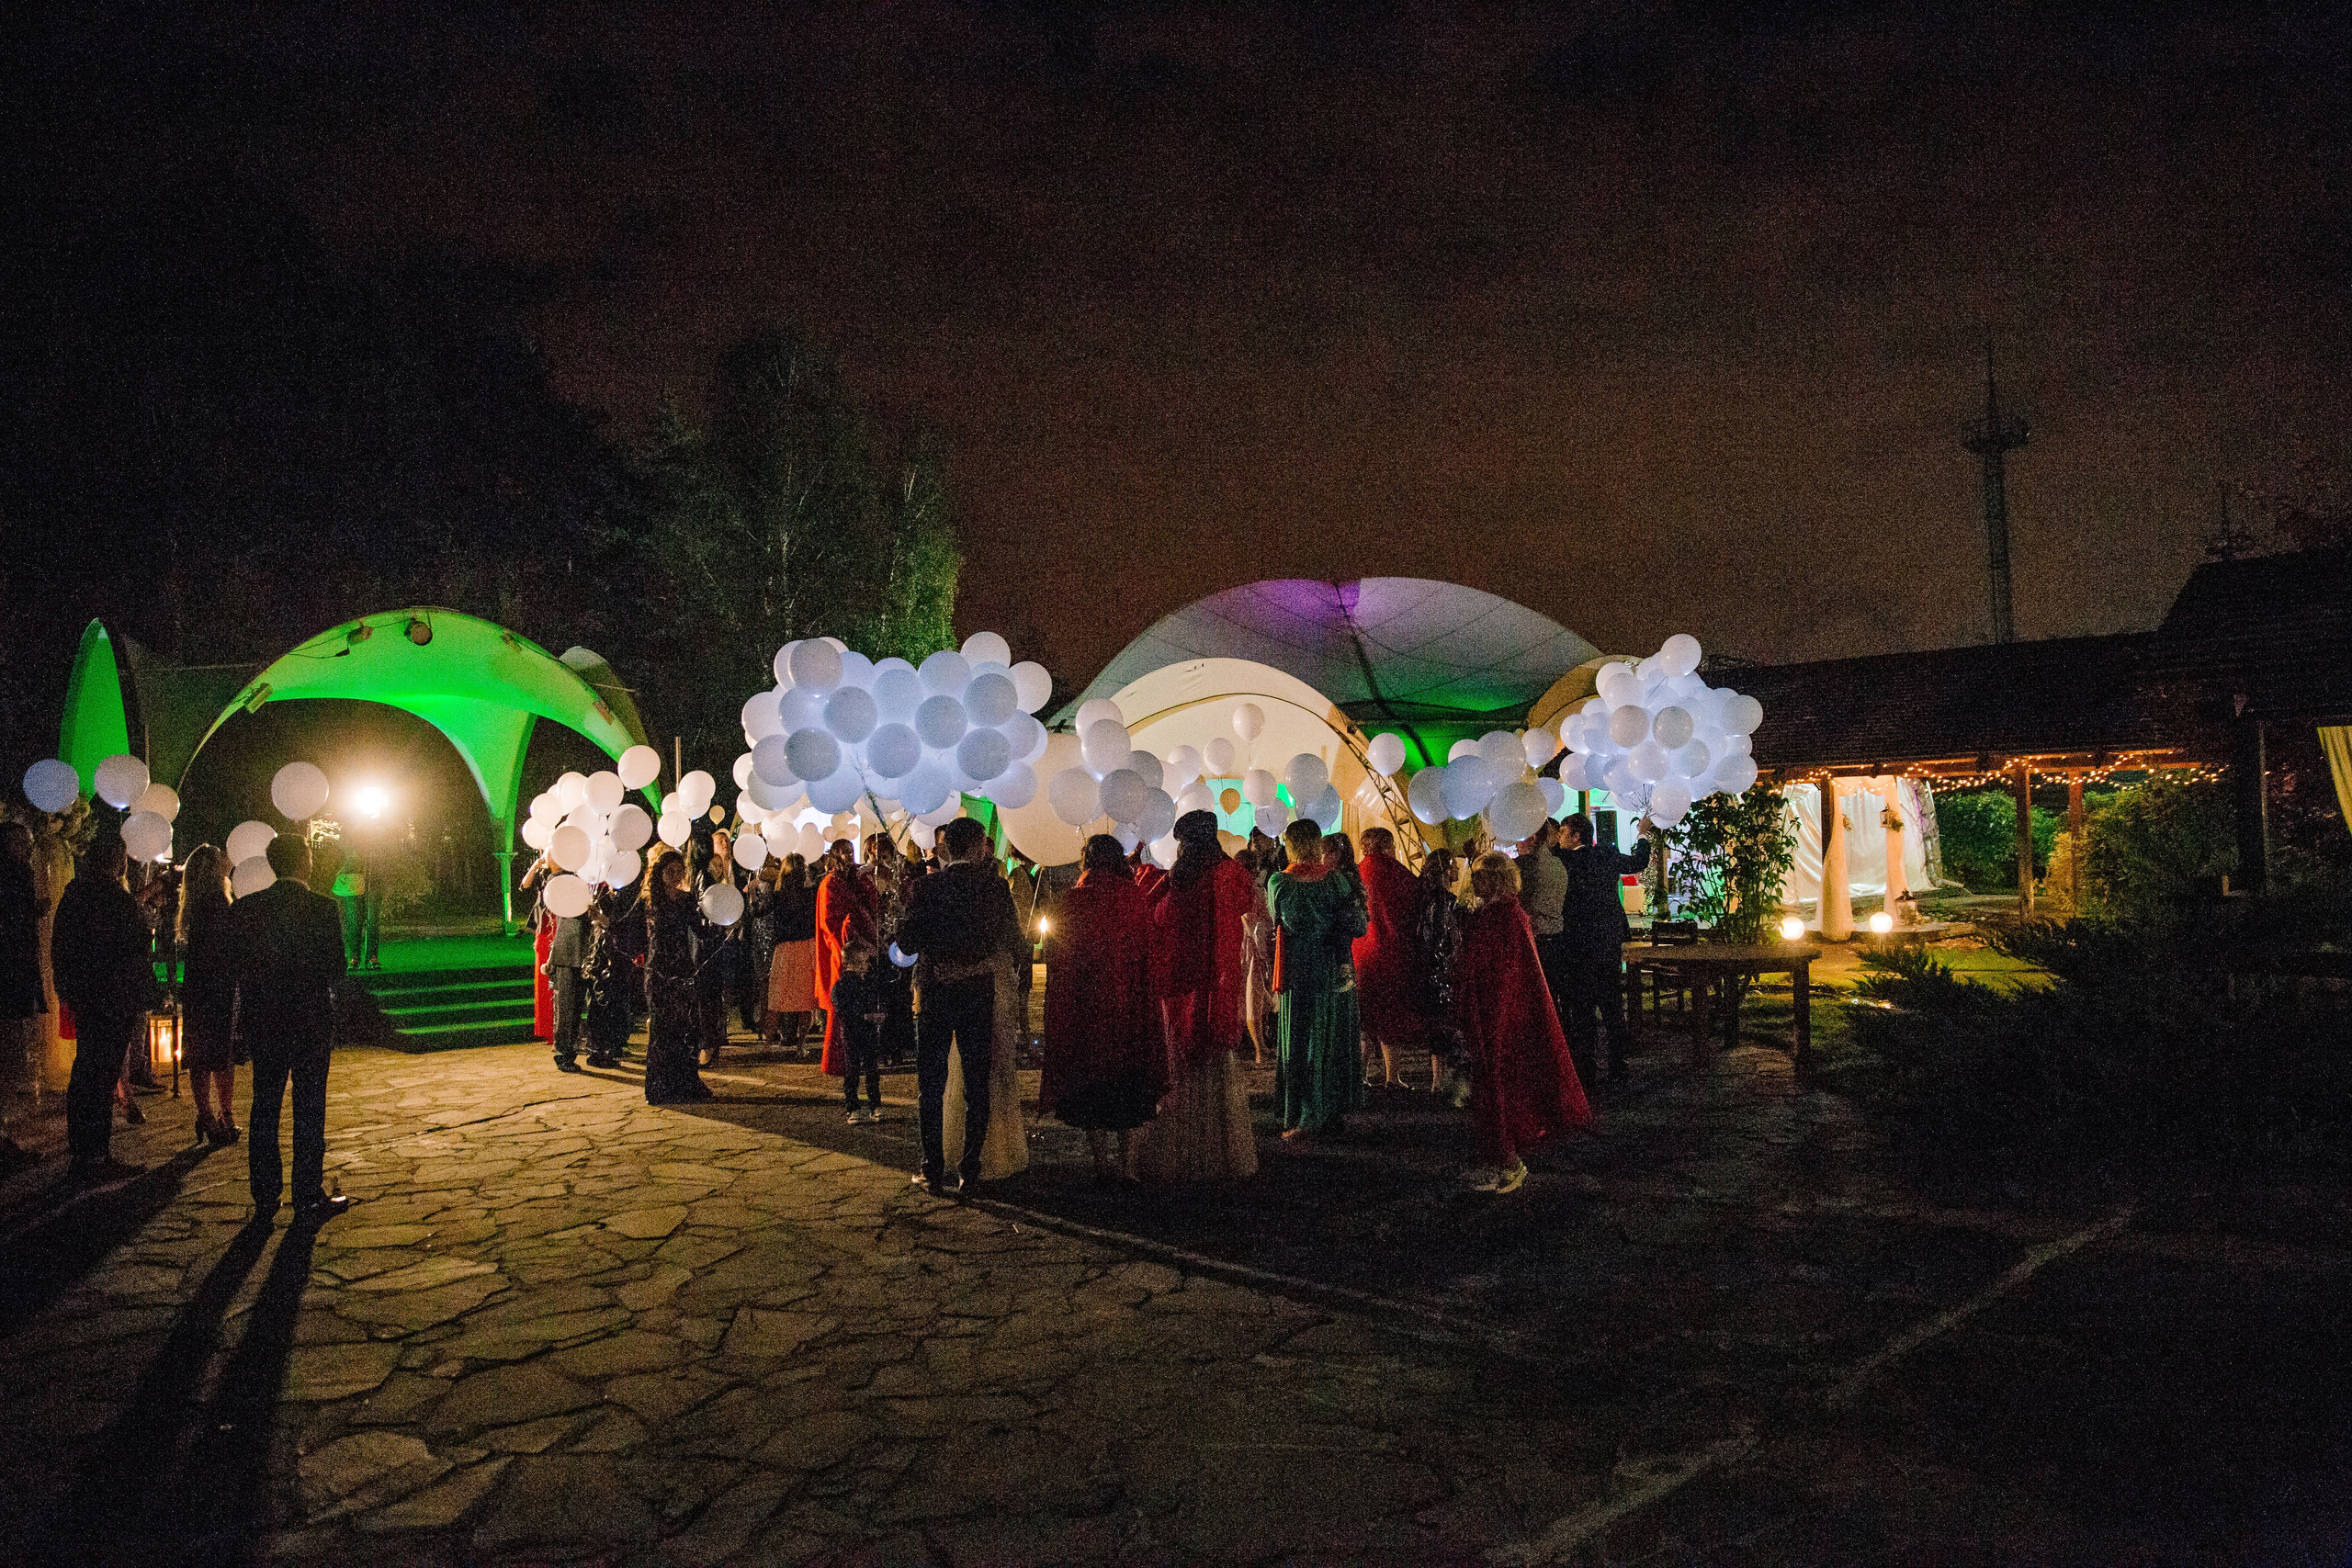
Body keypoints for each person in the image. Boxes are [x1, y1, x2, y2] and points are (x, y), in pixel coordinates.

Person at [1137, 809, 1266, 1182]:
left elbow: (1153, 919)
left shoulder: (1177, 880)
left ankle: (1181, 1150)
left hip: (1180, 985)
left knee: (1179, 1064)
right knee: (1215, 1068)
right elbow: (1247, 909)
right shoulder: (1232, 876)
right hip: (1219, 983)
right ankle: (1219, 1150)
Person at [898, 816, 1023, 1195]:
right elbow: (1016, 944)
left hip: (936, 993)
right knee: (976, 1084)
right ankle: (970, 1165)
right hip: (977, 994)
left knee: (930, 1085)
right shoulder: (995, 888)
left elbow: (905, 944)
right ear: (977, 846)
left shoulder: (926, 887)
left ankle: (933, 1166)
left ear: (946, 848)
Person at [227, 835, 351, 1220]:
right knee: (309, 1107)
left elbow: (237, 967)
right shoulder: (322, 909)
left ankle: (265, 1195)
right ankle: (307, 1193)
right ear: (304, 863)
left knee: (265, 1105)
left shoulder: (247, 909)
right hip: (310, 1020)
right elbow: (337, 969)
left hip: (264, 1020)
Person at [1453, 852, 1591, 1192]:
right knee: (1488, 1088)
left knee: (1501, 1086)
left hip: (1502, 1014)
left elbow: (1510, 973)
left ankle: (1510, 1161)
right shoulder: (1492, 914)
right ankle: (1494, 1160)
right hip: (1485, 1008)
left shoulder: (1510, 918)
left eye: (1482, 877)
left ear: (1497, 880)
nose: (1475, 883)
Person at [1041, 835, 1162, 1184]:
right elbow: (1148, 952)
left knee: (1093, 1087)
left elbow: (1059, 956)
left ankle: (1102, 1165)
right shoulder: (1134, 899)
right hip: (1129, 1007)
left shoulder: (1072, 900)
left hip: (1087, 1008)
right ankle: (1129, 1167)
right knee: (1130, 1087)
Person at [51, 837, 157, 1179]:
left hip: (85, 996)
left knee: (85, 1071)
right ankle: (96, 1153)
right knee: (101, 1074)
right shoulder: (114, 898)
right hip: (113, 996)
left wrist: (68, 988)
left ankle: (82, 1149)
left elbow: (61, 946)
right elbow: (138, 942)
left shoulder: (74, 894)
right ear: (119, 862)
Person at [1268, 819, 1369, 1145]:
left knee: (1301, 1037)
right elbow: (1357, 923)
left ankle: (1303, 1114)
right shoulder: (1337, 880)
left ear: (1290, 845)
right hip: (1334, 966)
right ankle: (1332, 1109)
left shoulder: (1280, 884)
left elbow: (1279, 920)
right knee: (1332, 1036)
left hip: (1299, 968)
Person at [1555, 814, 1654, 1086]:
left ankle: (1586, 1067)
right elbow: (1639, 862)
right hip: (1608, 940)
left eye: (1563, 832)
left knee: (1582, 1008)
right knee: (1611, 1005)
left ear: (1576, 836)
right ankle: (1618, 1065)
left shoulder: (1563, 860)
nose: (1560, 837)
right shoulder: (1606, 856)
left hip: (1578, 943)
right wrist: (1642, 834)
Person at [1352, 827, 1427, 1091]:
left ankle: (1357, 1076)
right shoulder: (1400, 875)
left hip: (1360, 954)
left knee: (1364, 1019)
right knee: (1390, 1017)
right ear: (1388, 846)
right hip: (1393, 952)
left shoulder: (1355, 874)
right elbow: (1418, 907)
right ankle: (1392, 1077)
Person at [178, 843, 242, 1145]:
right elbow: (226, 947)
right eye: (221, 857)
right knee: (219, 1053)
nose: (228, 858)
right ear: (213, 869)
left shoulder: (198, 903)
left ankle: (209, 1115)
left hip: (199, 986)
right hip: (217, 985)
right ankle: (220, 1115)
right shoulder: (217, 902)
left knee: (204, 1053)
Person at [642, 852, 713, 1103]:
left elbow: (699, 930)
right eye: (670, 871)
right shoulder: (651, 901)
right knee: (662, 1032)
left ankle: (685, 1083)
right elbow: (641, 933)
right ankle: (659, 1088)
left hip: (682, 969)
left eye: (679, 871)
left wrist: (722, 924)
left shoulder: (685, 899)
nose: (675, 876)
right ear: (660, 873)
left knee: (685, 1030)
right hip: (659, 970)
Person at [0, 821, 51, 1171]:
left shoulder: (21, 872)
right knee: (10, 1055)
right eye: (21, 841)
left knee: (13, 1053)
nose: (27, 847)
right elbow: (14, 923)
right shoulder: (13, 876)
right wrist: (35, 909)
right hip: (11, 976)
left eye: (29, 841)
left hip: (17, 974)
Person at [813, 841, 876, 1067]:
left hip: (858, 947)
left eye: (852, 851)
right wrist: (849, 942)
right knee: (842, 1007)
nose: (850, 856)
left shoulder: (850, 880)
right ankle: (839, 1061)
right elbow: (829, 921)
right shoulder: (830, 883)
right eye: (845, 852)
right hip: (843, 950)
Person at [1416, 848, 1468, 1105]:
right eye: (1454, 866)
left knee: (1438, 1027)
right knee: (1449, 1026)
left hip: (1430, 968)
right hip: (1443, 970)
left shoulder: (1426, 899)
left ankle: (1438, 1081)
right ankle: (1446, 1083)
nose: (1458, 870)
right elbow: (1441, 939)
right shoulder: (1446, 902)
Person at [762, 854, 819, 1052]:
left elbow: (759, 911)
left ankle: (769, 1044)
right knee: (804, 1000)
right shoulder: (809, 893)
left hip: (788, 948)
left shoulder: (778, 894)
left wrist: (754, 898)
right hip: (801, 947)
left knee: (778, 999)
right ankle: (800, 1043)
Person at [829, 938, 888, 1122]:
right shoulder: (842, 985)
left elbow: (880, 999)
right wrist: (865, 1016)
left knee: (872, 1070)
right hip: (852, 1033)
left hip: (870, 1032)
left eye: (866, 962)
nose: (864, 966)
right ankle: (852, 1108)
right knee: (852, 1071)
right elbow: (843, 1011)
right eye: (859, 963)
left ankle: (875, 1105)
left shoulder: (871, 982)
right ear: (848, 963)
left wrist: (881, 1013)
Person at [580, 883, 634, 1068]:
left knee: (617, 1004)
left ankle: (613, 1047)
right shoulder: (601, 892)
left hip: (620, 957)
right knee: (598, 1004)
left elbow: (628, 925)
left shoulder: (630, 895)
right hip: (600, 957)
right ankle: (596, 1050)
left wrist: (604, 920)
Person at [545, 890, 590, 1074]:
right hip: (567, 954)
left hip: (584, 953)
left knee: (576, 1008)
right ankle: (564, 1053)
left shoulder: (594, 885)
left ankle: (570, 1051)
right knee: (567, 1009)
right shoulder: (567, 884)